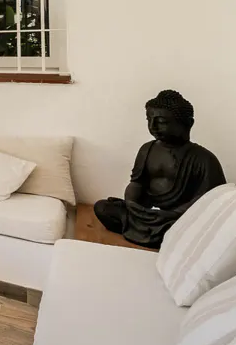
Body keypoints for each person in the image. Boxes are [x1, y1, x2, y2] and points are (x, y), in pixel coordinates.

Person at [93, 89, 225, 249]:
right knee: (103, 207)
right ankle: (158, 236)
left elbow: (207, 201)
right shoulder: (147, 149)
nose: (153, 126)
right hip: (145, 212)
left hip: (176, 217)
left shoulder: (204, 159)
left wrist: (172, 213)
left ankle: (160, 235)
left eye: (161, 121)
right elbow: (137, 183)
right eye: (149, 119)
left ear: (187, 123)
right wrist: (132, 202)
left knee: (195, 228)